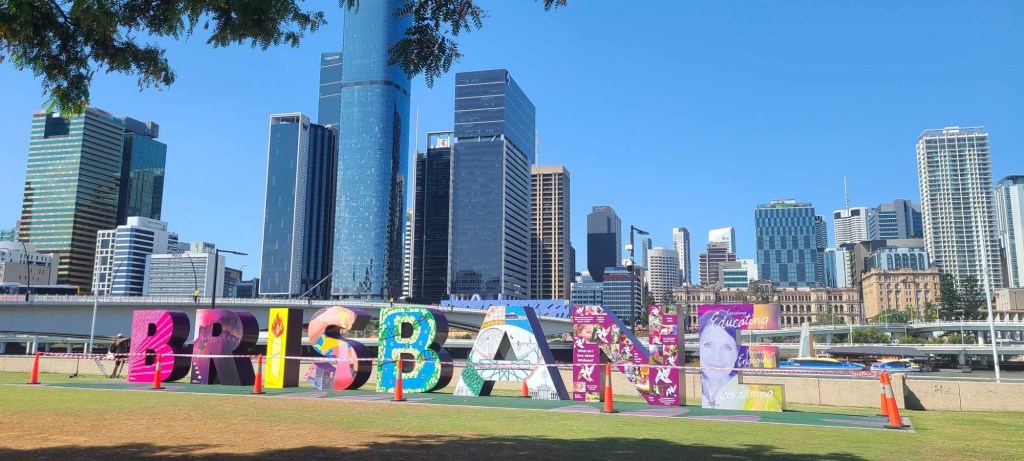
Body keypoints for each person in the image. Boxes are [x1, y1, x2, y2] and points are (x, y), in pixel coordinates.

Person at [698, 310, 741, 409]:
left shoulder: (763, 402)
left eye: (727, 347)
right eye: (708, 345)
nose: (717, 357)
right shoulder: (685, 390)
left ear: (737, 352)